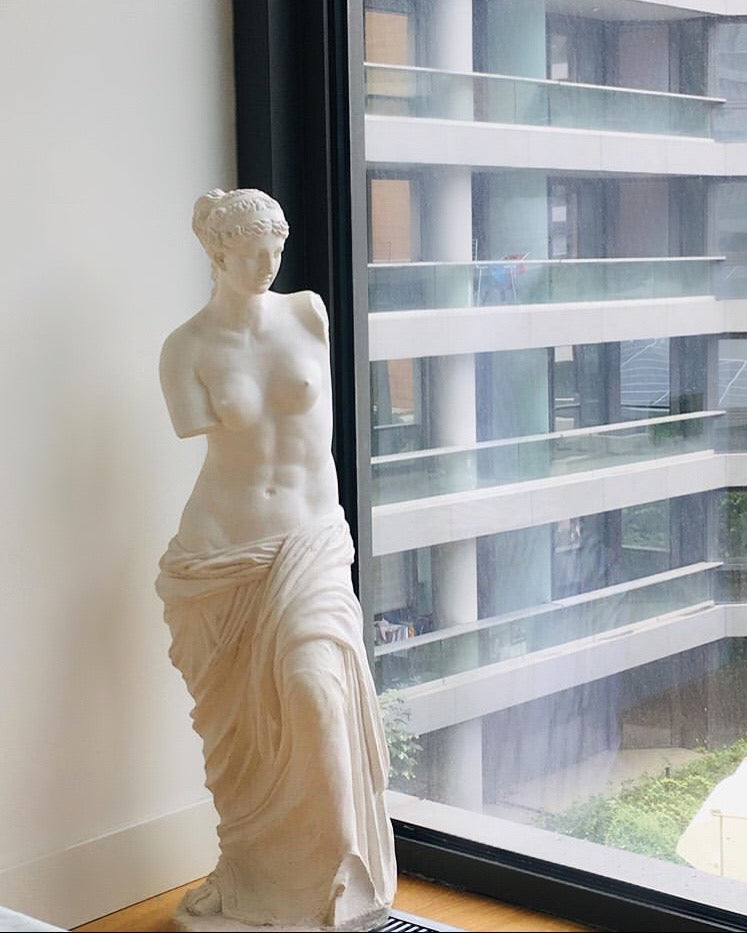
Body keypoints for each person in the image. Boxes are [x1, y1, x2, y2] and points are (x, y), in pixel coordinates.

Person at [155, 188, 396, 931]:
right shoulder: (186, 348)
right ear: (216, 252)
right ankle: (246, 871)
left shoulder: (308, 314)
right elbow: (203, 438)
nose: (268, 264)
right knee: (241, 740)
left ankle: (336, 876)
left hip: (309, 543)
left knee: (315, 689)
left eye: (276, 249)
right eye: (251, 252)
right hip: (221, 556)